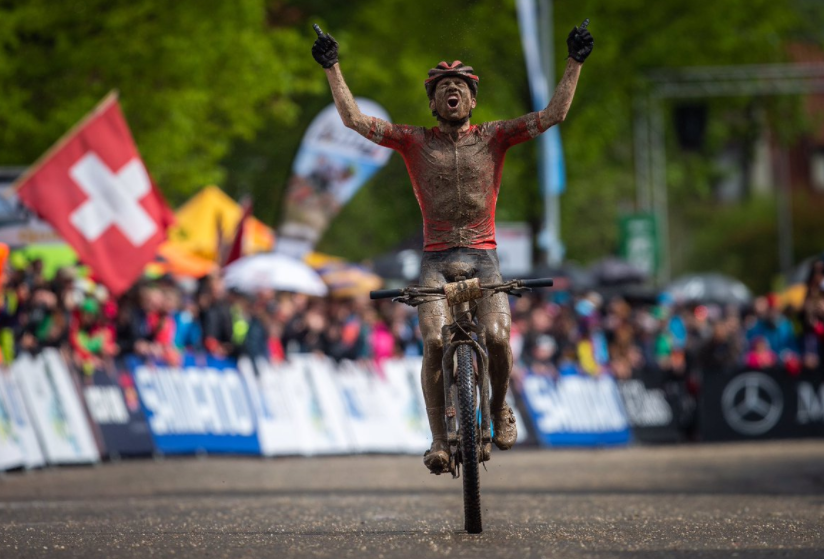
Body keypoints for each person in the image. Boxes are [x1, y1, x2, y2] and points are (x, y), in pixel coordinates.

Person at [311, 21, 593, 473]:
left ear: (473, 100)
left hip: (484, 259)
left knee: (499, 338)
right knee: (433, 343)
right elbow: (354, 120)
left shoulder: (495, 136)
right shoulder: (412, 141)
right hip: (435, 262)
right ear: (433, 102)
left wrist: (574, 63)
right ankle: (439, 440)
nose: (452, 91)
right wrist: (333, 67)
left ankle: (499, 407)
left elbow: (554, 114)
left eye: (460, 86)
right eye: (444, 87)